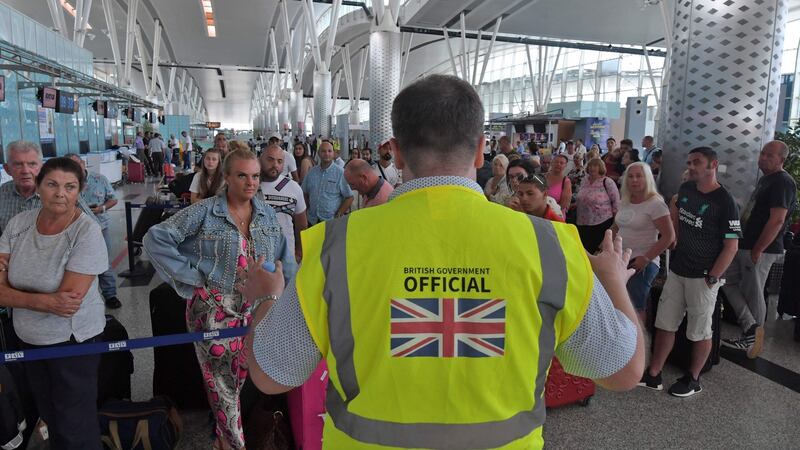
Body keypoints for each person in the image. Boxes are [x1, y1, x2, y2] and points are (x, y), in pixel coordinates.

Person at [245, 74, 643, 449]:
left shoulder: (337, 246)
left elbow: (271, 375)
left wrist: (265, 299)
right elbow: (622, 371)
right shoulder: (548, 246)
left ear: (396, 153)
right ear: (480, 149)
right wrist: (613, 282)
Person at [143, 149, 297, 450]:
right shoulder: (205, 211)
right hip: (212, 313)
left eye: (254, 176)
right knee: (222, 386)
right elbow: (155, 238)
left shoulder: (264, 212)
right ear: (227, 177)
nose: (250, 183)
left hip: (253, 311)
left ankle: (223, 438)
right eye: (242, 175)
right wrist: (192, 278)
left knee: (241, 381)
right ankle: (234, 443)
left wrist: (288, 297)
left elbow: (283, 258)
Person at [0, 157, 108, 450]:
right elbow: (51, 302)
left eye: (70, 186)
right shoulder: (18, 224)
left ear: (79, 191)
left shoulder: (86, 233)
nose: (60, 193)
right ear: (38, 188)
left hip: (72, 343)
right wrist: (44, 301)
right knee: (48, 416)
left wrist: (13, 293)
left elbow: (67, 303)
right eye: (52, 184)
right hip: (28, 339)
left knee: (75, 426)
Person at [640, 147, 741, 398]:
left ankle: (693, 378)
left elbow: (732, 246)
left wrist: (713, 277)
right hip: (678, 271)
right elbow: (675, 227)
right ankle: (654, 373)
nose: (691, 166)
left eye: (697, 162)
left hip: (703, 277)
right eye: (689, 162)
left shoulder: (725, 202)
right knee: (665, 323)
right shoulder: (685, 191)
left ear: (713, 165)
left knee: (699, 330)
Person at [721, 141, 797, 358]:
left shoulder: (783, 182)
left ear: (781, 160)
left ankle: (752, 338)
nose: (763, 158)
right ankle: (751, 328)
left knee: (754, 292)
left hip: (761, 248)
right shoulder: (767, 180)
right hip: (746, 244)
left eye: (769, 155)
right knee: (727, 279)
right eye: (762, 153)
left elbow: (778, 220)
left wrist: (758, 249)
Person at [613, 162, 675, 325]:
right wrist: (602, 248)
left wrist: (646, 259)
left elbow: (669, 237)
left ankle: (641, 346)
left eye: (639, 176)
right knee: (618, 304)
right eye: (631, 176)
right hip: (620, 259)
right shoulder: (625, 200)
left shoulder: (655, 204)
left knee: (635, 305)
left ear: (647, 178)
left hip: (641, 262)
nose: (634, 180)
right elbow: (616, 226)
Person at [65, 154, 121, 309]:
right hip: (72, 230)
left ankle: (110, 295)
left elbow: (113, 199)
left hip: (99, 227)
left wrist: (101, 208)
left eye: (76, 164)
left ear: (83, 164)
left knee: (104, 262)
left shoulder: (99, 179)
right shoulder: (65, 184)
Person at [260, 145, 308, 263]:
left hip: (286, 258)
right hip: (256, 258)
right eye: (270, 159)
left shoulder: (293, 187)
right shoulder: (250, 185)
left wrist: (299, 251)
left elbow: (301, 224)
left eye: (279, 161)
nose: (275, 164)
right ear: (260, 159)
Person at [302, 140, 354, 225]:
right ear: (318, 153)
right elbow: (305, 192)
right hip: (312, 220)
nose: (326, 154)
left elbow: (349, 197)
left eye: (329, 151)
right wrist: (307, 209)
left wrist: (339, 215)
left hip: (331, 221)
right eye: (323, 151)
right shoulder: (311, 172)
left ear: (333, 153)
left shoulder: (340, 173)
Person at [576, 158, 620, 254]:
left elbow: (616, 202)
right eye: (590, 166)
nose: (592, 168)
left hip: (601, 223)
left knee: (596, 251)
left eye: (595, 166)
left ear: (601, 167)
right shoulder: (584, 181)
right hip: (582, 222)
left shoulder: (607, 182)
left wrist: (616, 224)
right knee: (584, 250)